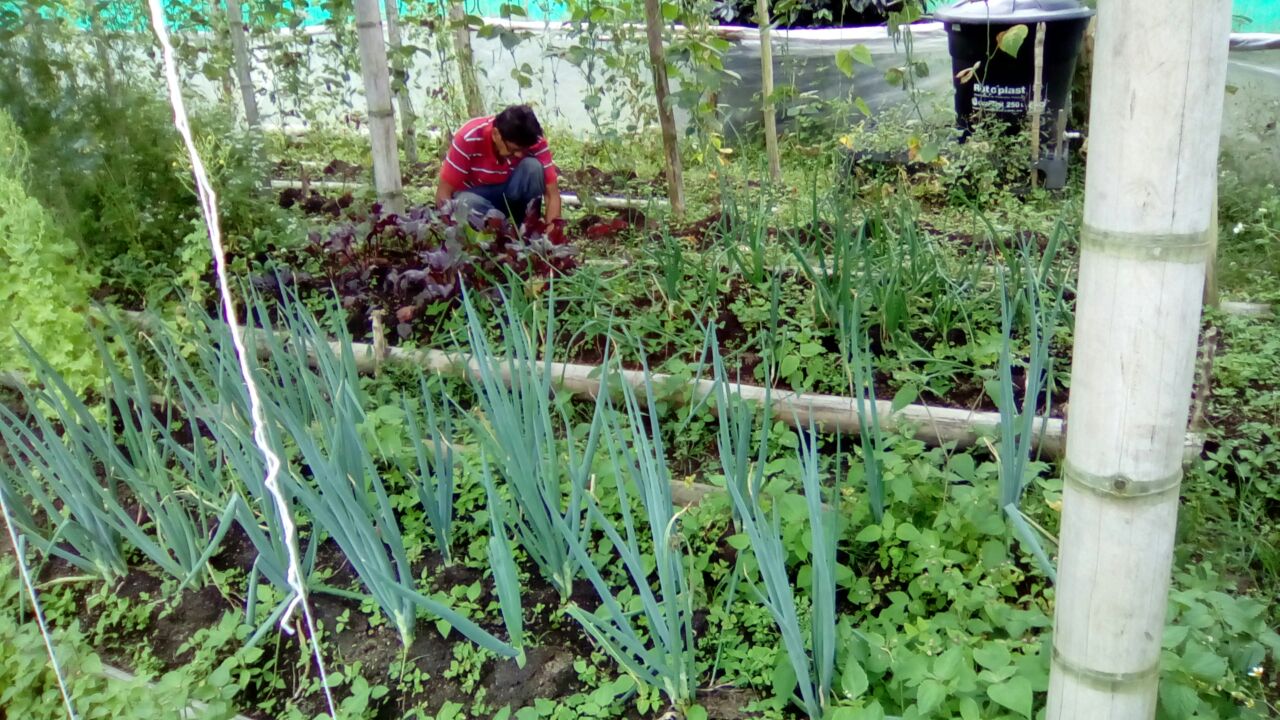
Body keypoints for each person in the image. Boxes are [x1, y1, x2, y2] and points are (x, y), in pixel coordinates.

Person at [435, 104, 562, 226]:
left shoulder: (533, 141)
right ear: (496, 134)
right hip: (477, 198)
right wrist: (451, 230)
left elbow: (552, 195)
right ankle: (501, 230)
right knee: (464, 203)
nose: (519, 155)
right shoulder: (468, 137)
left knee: (532, 167)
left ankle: (524, 226)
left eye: (524, 150)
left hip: (513, 195)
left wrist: (551, 235)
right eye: (513, 149)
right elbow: (443, 193)